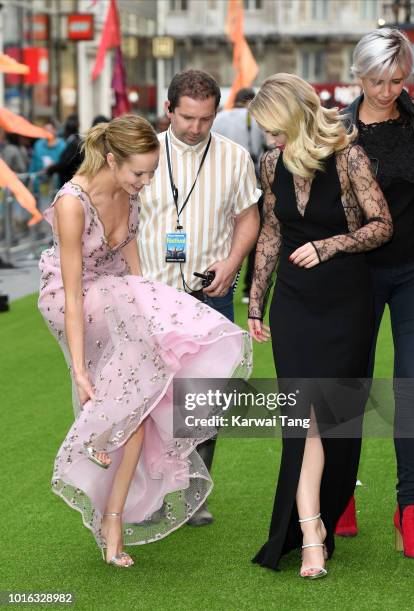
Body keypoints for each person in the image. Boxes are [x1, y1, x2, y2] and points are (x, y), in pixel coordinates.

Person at [38, 114, 252, 567]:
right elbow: (74, 294)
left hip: (118, 294)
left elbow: (136, 273)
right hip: (74, 300)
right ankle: (100, 427)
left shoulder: (131, 194)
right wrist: (78, 370)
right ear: (112, 160)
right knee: (131, 389)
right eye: (139, 172)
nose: (146, 181)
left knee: (143, 397)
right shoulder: (71, 202)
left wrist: (158, 319)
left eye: (152, 172)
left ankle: (112, 517)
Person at [247, 73, 392, 578]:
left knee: (335, 421)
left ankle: (324, 519)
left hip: (346, 301)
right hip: (294, 304)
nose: (269, 140)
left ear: (295, 118)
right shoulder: (270, 165)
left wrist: (328, 245)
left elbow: (381, 225)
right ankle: (310, 532)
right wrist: (255, 302)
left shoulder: (349, 157)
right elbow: (270, 231)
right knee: (300, 420)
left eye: (274, 128)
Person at [138, 69, 261, 526]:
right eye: (187, 118)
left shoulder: (233, 157)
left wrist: (231, 264)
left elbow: (249, 218)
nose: (195, 128)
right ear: (169, 110)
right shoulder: (142, 152)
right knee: (146, 400)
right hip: (148, 294)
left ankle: (194, 492)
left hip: (209, 294)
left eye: (205, 119)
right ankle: (147, 498)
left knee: (203, 400)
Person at [337, 28, 414, 559]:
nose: (388, 90)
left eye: (397, 80)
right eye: (376, 80)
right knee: (349, 385)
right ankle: (337, 494)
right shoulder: (335, 131)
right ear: (357, 75)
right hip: (354, 275)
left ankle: (411, 507)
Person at [213, 87, 266, 304]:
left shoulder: (219, 119)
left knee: (222, 235)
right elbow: (265, 146)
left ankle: (217, 277)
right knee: (253, 234)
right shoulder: (256, 119)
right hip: (251, 183)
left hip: (220, 185)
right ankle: (247, 288)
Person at [45, 114, 83, 186]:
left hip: (70, 182)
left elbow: (65, 164)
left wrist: (51, 169)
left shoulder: (74, 143)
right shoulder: (75, 141)